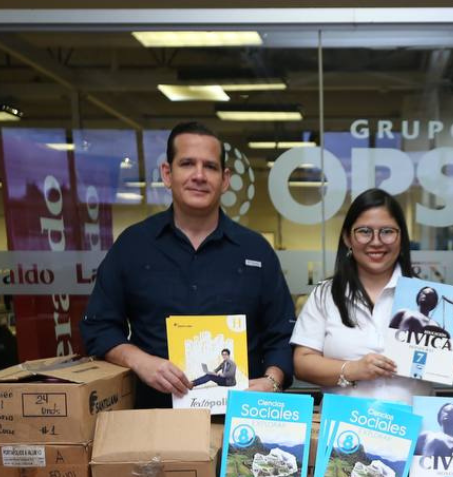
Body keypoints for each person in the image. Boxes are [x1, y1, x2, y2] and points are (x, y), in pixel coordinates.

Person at [81, 121, 295, 408]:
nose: (199, 175)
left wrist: (272, 381)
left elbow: (282, 334)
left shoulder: (257, 251)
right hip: (153, 418)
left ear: (225, 179)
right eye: (187, 163)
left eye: (210, 166)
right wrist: (139, 360)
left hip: (239, 418)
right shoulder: (133, 246)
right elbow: (98, 327)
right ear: (167, 174)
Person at [291, 188, 453, 404]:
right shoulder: (326, 295)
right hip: (345, 423)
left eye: (387, 231)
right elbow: (302, 363)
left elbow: (438, 369)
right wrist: (353, 369)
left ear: (401, 238)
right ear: (347, 238)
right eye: (364, 231)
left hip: (411, 421)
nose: (376, 241)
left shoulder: (424, 296)